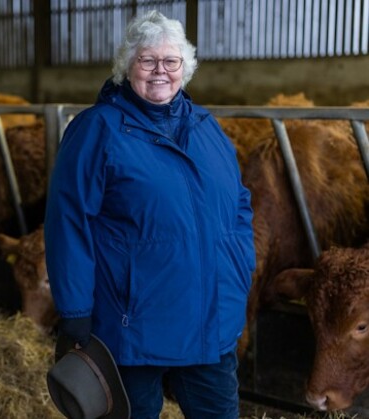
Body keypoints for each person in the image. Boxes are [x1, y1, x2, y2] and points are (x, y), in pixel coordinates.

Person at [44, 10, 256, 419]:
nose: (160, 71)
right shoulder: (97, 130)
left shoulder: (207, 129)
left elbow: (240, 204)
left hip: (210, 322)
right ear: (127, 67)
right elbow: (69, 221)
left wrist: (239, 266)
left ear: (185, 68)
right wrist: (73, 309)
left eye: (171, 61)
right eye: (147, 61)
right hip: (133, 325)